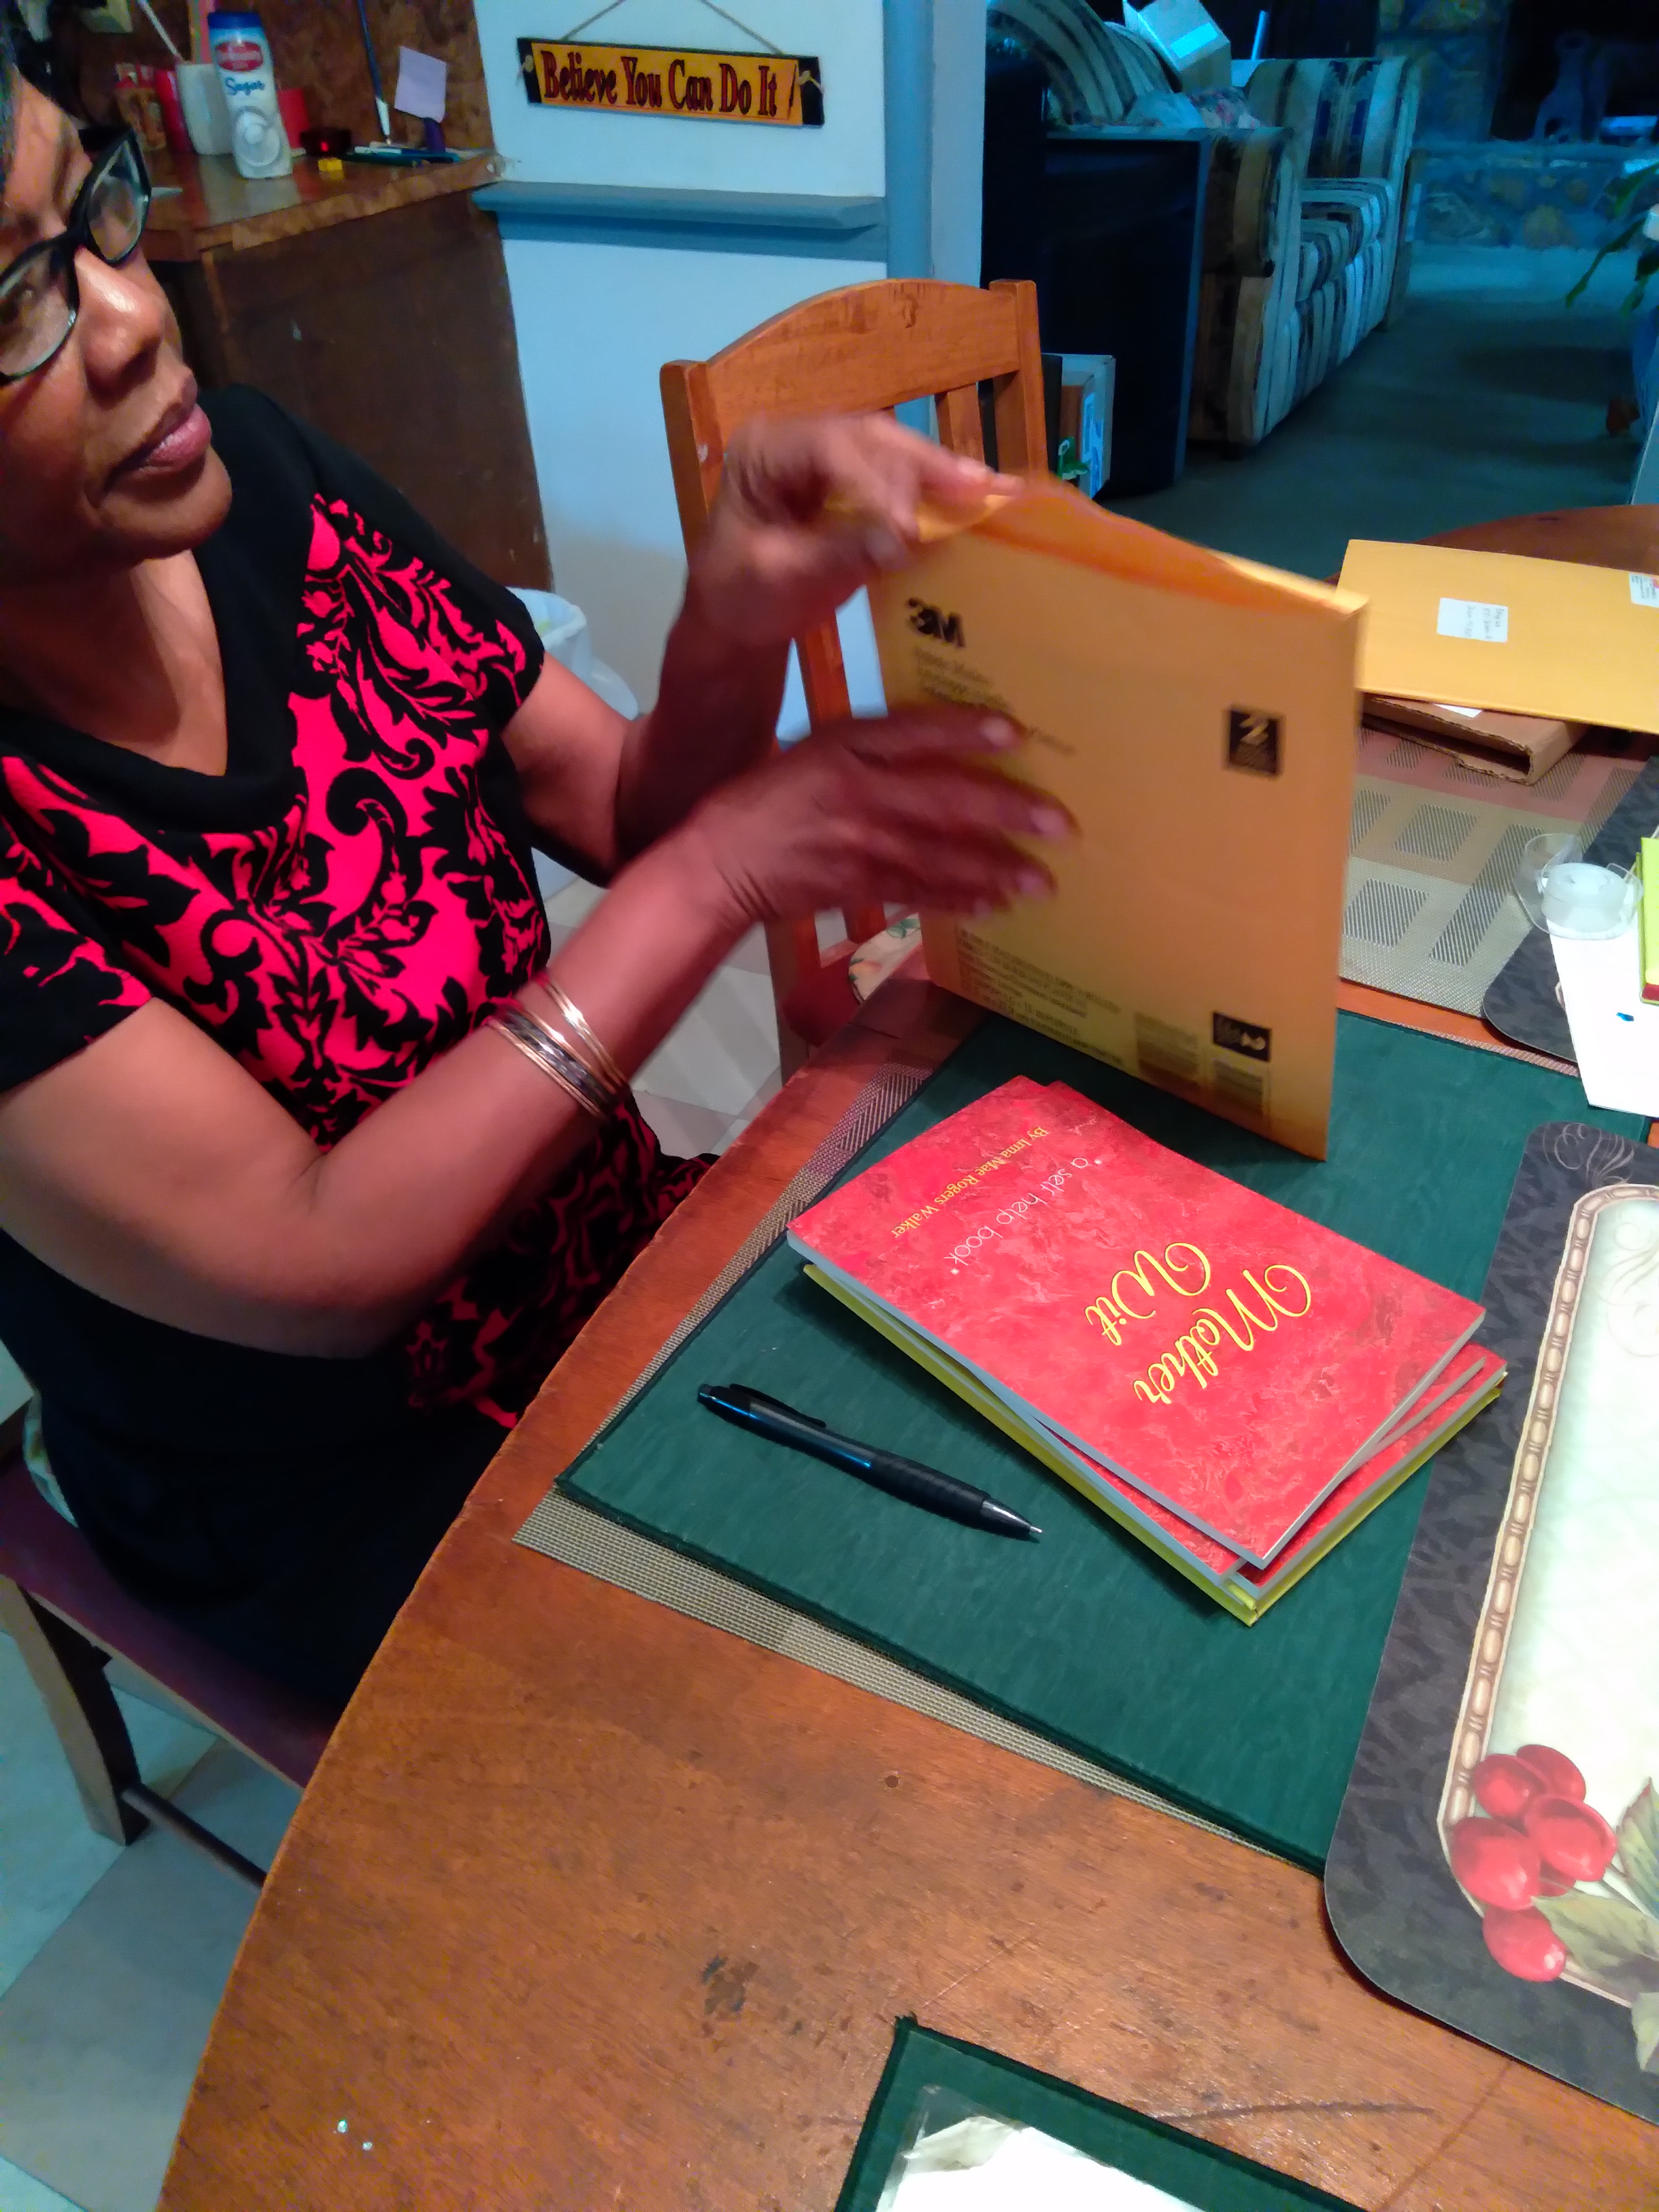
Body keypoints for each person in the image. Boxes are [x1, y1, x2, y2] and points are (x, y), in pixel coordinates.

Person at [0, 65, 1070, 1700]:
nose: (134, 316)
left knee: (1029, 1427)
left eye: (94, 212)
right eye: (16, 305)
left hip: (607, 1268)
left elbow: (631, 814)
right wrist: (714, 879)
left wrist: (732, 621)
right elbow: (325, 1260)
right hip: (350, 1490)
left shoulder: (260, 488)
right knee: (851, 1705)